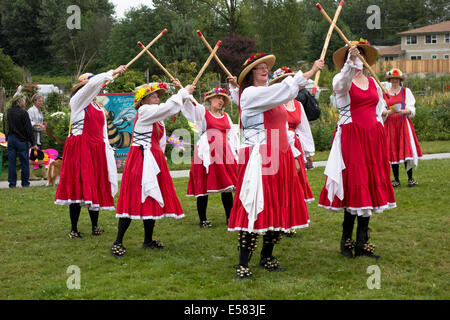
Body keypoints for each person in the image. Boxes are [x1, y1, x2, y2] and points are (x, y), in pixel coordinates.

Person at [227, 52, 323, 280]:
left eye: (265, 67)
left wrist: (297, 157)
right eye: (259, 67)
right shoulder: (250, 94)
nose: (264, 70)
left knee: (279, 206)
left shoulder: (272, 96)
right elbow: (282, 91)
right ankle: (243, 264)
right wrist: (306, 74)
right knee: (254, 205)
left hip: (280, 157)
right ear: (250, 74)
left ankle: (267, 256)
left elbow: (284, 129)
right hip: (259, 157)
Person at [318, 40, 396, 260]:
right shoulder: (342, 80)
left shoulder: (372, 81)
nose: (358, 59)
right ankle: (347, 241)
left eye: (361, 55)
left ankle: (363, 242)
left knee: (370, 184)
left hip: (373, 138)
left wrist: (382, 116)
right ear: (347, 59)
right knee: (355, 184)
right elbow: (341, 83)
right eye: (354, 55)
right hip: (352, 138)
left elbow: (379, 107)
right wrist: (349, 64)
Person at [111, 80, 194, 258]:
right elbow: (167, 108)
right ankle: (118, 241)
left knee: (151, 197)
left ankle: (148, 240)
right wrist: (181, 93)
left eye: (158, 95)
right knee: (133, 197)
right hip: (140, 159)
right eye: (153, 95)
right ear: (143, 100)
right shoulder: (144, 111)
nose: (157, 97)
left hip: (153, 159)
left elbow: (169, 116)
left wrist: (184, 94)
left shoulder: (157, 119)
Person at [55, 66, 127, 239]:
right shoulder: (78, 101)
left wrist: (107, 149)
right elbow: (93, 84)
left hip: (96, 148)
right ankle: (73, 229)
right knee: (78, 186)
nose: (94, 89)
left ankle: (95, 226)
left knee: (94, 185)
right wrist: (113, 71)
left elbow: (102, 130)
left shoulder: (97, 106)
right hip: (80, 147)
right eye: (89, 86)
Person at [181, 87, 239, 228]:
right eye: (218, 98)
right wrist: (184, 92)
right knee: (203, 186)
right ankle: (203, 220)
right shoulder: (203, 114)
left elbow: (232, 134)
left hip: (224, 153)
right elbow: (190, 106)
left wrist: (235, 152)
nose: (220, 101)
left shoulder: (226, 117)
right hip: (206, 153)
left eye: (223, 99)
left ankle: (229, 218)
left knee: (227, 186)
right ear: (210, 99)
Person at [382, 68, 422, 188]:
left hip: (403, 124)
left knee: (405, 150)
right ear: (390, 80)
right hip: (390, 125)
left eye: (397, 79)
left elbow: (412, 108)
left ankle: (410, 178)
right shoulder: (385, 93)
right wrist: (388, 112)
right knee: (392, 150)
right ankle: (396, 180)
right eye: (393, 79)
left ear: (400, 80)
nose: (395, 81)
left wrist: (403, 111)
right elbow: (381, 110)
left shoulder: (406, 91)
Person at [6, 90, 38, 188]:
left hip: (11, 138)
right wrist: (33, 143)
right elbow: (28, 129)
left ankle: (12, 183)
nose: (25, 103)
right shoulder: (24, 113)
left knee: (12, 162)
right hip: (21, 140)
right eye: (24, 101)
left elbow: (6, 126)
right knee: (24, 162)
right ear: (20, 102)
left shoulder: (9, 112)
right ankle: (25, 183)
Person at [28, 93, 48, 180]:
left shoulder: (40, 111)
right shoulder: (31, 110)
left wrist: (43, 125)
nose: (41, 102)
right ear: (35, 101)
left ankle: (31, 175)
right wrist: (39, 125)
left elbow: (39, 123)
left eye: (41, 101)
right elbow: (29, 122)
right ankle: (45, 174)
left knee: (33, 155)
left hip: (39, 136)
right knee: (40, 153)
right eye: (39, 101)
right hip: (34, 136)